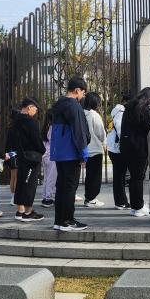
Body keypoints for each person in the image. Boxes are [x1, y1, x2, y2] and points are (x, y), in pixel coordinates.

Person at [49, 77, 91, 231]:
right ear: (77, 90)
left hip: (59, 152)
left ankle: (59, 220)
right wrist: (83, 154)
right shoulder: (74, 106)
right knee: (69, 187)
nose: (83, 96)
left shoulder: (58, 104)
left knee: (61, 186)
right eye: (83, 93)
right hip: (71, 152)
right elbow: (79, 131)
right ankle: (68, 220)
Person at [8, 98, 46, 222]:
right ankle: (27, 212)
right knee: (29, 184)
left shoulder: (15, 121)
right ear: (29, 107)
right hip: (30, 158)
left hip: (20, 156)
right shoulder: (29, 122)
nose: (36, 112)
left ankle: (21, 210)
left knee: (21, 182)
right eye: (35, 109)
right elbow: (37, 140)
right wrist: (42, 150)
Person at [120, 87, 150, 217]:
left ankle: (135, 206)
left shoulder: (128, 107)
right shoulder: (144, 109)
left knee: (133, 178)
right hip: (139, 148)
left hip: (126, 147)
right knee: (138, 177)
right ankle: (138, 207)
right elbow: (149, 129)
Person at [107, 91, 132, 209]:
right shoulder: (121, 113)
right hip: (118, 148)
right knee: (119, 176)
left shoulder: (116, 112)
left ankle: (121, 201)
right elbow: (122, 130)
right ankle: (121, 202)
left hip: (113, 147)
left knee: (119, 175)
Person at [82, 93, 107, 207]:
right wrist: (103, 141)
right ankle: (92, 198)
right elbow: (100, 132)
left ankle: (88, 197)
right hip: (95, 149)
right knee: (95, 176)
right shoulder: (94, 115)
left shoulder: (81, 113)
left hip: (85, 149)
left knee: (89, 176)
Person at [39, 110, 56, 208]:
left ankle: (45, 197)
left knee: (46, 177)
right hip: (52, 155)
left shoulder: (45, 127)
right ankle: (49, 198)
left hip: (45, 155)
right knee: (51, 178)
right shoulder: (53, 128)